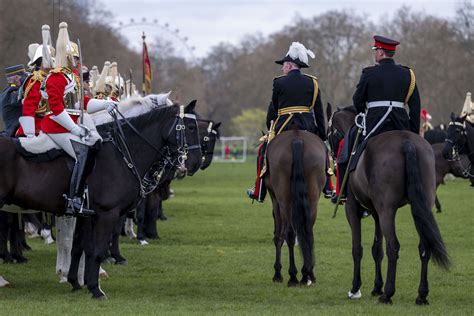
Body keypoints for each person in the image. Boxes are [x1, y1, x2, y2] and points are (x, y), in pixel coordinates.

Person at [332, 35, 421, 204]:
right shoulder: (408, 74)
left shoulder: (369, 73)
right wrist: (413, 133)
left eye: (375, 51)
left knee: (348, 148)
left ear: (380, 53)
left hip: (374, 125)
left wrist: (364, 112)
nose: (375, 54)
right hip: (401, 126)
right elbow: (415, 107)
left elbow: (357, 101)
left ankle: (344, 192)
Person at [40, 22, 117, 216]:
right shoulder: (57, 77)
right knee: (82, 153)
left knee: (95, 144)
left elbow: (81, 103)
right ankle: (72, 200)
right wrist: (74, 130)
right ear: (67, 57)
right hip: (55, 125)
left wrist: (105, 104)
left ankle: (83, 193)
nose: (77, 61)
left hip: (69, 123)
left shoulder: (70, 78)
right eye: (74, 57)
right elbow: (56, 108)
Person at [247, 42, 327, 202]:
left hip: (283, 127)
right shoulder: (313, 82)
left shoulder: (279, 83)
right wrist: (322, 135)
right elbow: (319, 112)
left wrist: (269, 126)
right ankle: (329, 187)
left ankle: (259, 189)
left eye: (283, 65)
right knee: (323, 154)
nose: (282, 68)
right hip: (307, 127)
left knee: (263, 152)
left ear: (290, 66)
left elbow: (272, 111)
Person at [17, 25, 55, 138]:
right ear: (42, 61)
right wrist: (30, 133)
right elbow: (29, 107)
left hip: (51, 125)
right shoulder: (37, 80)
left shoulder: (51, 78)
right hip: (37, 128)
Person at [0, 65, 27, 137]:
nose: (26, 80)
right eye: (24, 77)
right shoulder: (11, 92)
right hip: (15, 131)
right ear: (16, 78)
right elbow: (22, 97)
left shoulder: (7, 90)